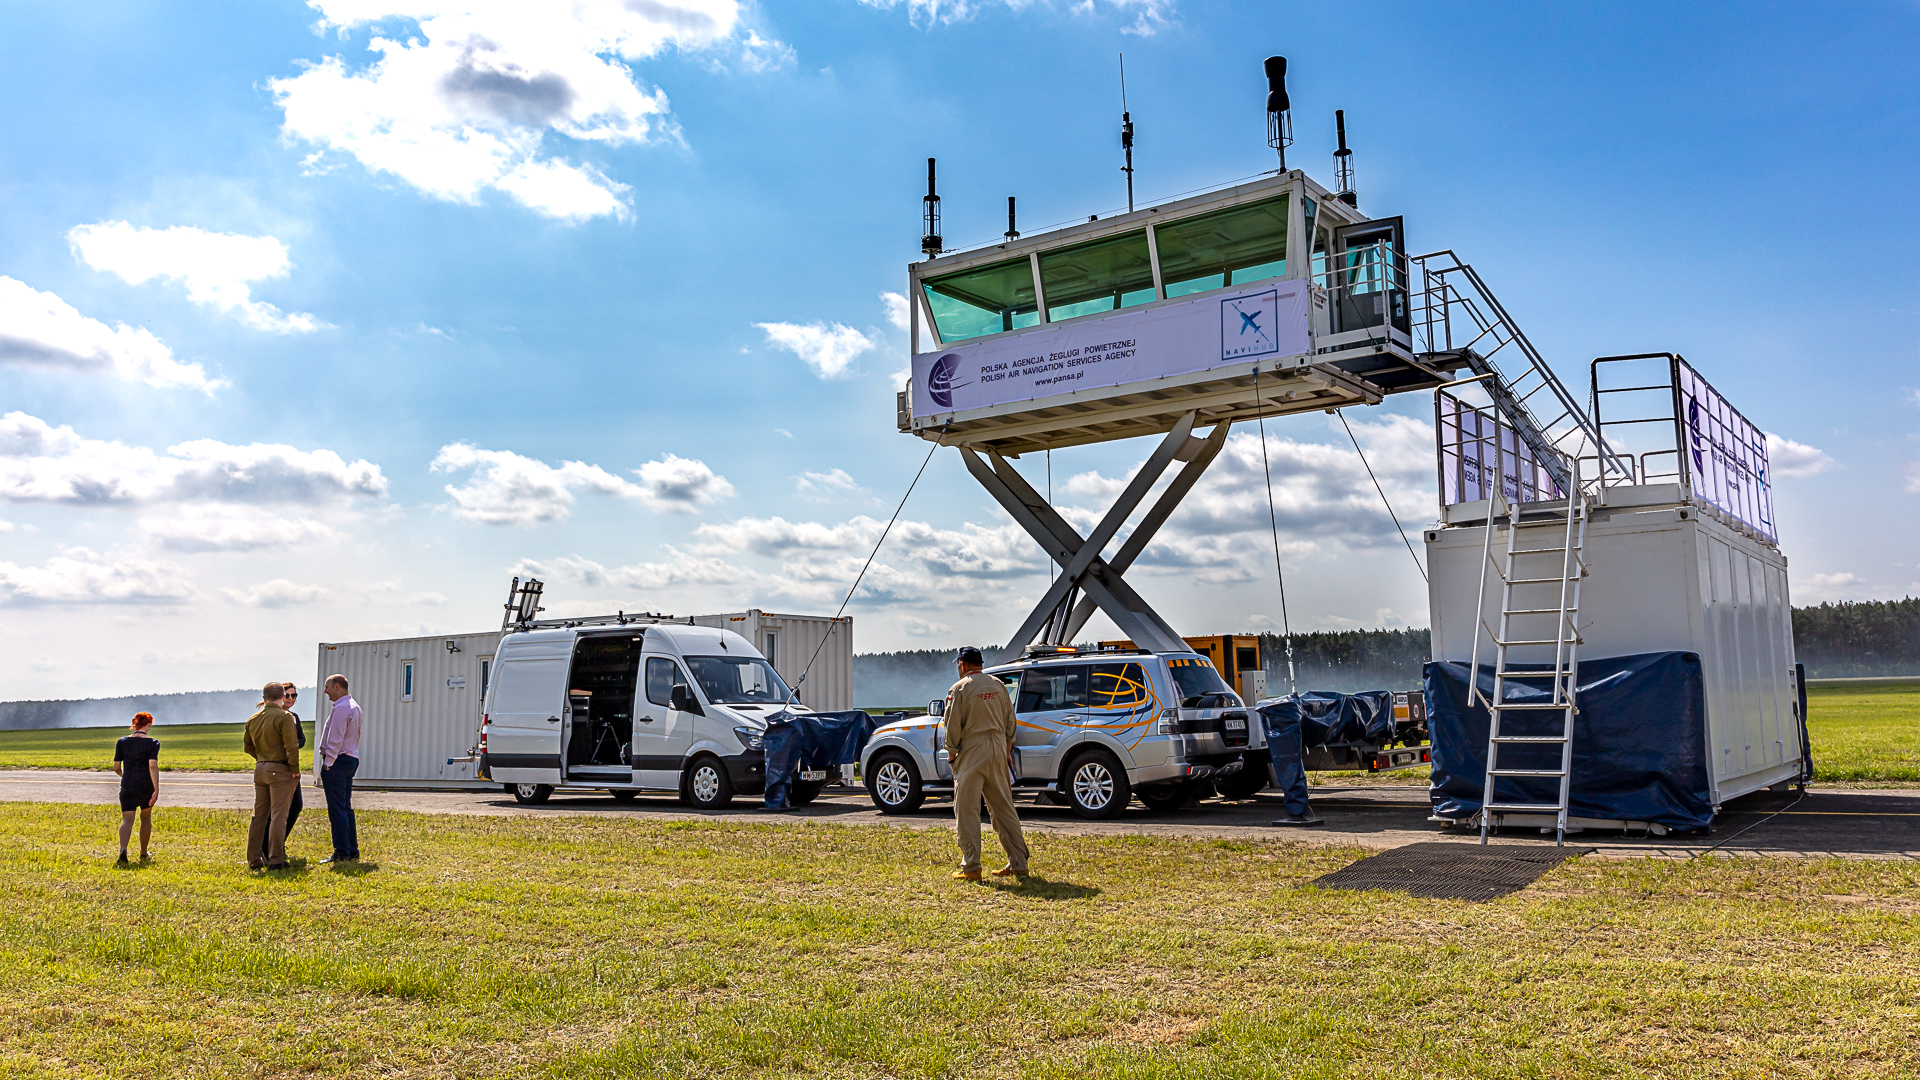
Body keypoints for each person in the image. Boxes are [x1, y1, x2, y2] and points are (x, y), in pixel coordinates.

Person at [942, 646, 1029, 881]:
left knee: (967, 809)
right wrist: (1007, 749)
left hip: (971, 750)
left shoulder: (959, 689)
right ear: (980, 663)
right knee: (1003, 808)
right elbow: (1011, 721)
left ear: (962, 664)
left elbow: (952, 726)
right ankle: (1019, 861)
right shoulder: (998, 685)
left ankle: (971, 867)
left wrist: (951, 754)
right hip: (998, 748)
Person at [243, 682, 302, 870]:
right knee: (278, 815)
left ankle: (254, 858)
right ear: (283, 697)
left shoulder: (253, 719)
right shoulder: (285, 717)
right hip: (280, 769)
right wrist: (294, 768)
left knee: (259, 816)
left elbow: (247, 746)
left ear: (264, 698)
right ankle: (276, 859)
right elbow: (292, 746)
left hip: (260, 768)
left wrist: (262, 759)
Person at [317, 674, 363, 864]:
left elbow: (335, 739)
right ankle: (352, 849)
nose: (325, 691)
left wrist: (328, 762)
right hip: (350, 758)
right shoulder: (353, 705)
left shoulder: (342, 708)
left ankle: (341, 851)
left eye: (327, 686)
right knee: (346, 807)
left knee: (337, 809)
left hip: (338, 760)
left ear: (337, 686)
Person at [112, 712, 160, 863]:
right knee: (145, 818)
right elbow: (152, 766)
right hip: (146, 785)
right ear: (148, 725)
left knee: (127, 820)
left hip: (128, 785)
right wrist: (156, 788)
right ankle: (144, 853)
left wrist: (125, 776)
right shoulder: (153, 743)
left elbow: (116, 767)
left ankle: (123, 851)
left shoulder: (122, 742)